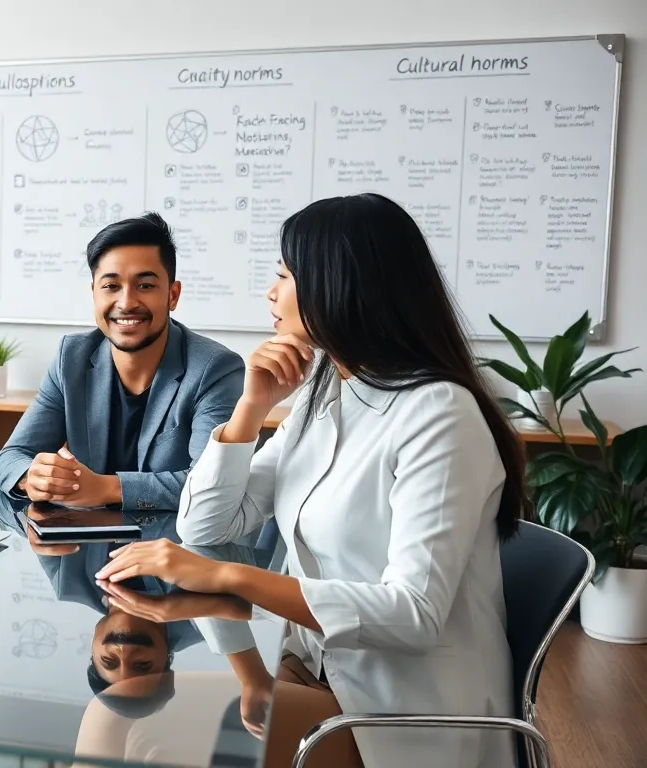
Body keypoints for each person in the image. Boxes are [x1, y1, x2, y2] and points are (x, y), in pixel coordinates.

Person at [97, 193, 526, 768]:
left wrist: (227, 575)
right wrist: (251, 409)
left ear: (339, 284)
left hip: (398, 708)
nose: (271, 293)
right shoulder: (328, 391)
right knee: (113, 711)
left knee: (155, 731)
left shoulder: (439, 413)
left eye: (283, 275)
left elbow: (414, 615)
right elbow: (206, 524)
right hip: (313, 667)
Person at [0, 213, 243, 512]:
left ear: (172, 296)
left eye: (145, 286)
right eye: (111, 286)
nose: (126, 303)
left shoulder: (214, 369)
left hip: (173, 538)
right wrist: (31, 477)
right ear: (94, 294)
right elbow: (11, 456)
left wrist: (105, 488)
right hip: (85, 536)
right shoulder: (71, 358)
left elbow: (210, 486)